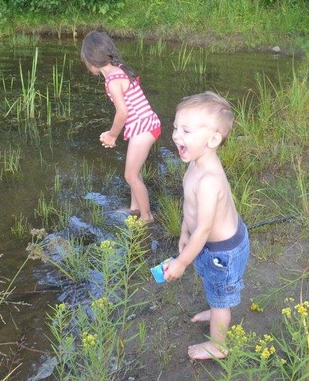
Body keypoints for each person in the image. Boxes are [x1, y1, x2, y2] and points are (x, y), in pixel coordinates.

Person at [163, 91, 250, 360]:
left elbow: (204, 229)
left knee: (221, 296)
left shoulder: (209, 180)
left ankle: (218, 345)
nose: (176, 135)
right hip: (210, 247)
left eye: (186, 131)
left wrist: (181, 262)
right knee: (214, 287)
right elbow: (191, 208)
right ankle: (215, 311)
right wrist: (183, 230)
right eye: (176, 127)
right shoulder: (195, 163)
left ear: (212, 140)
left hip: (223, 253)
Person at [81, 30, 161, 224]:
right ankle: (135, 208)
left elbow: (122, 113)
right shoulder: (119, 68)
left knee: (130, 175)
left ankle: (147, 216)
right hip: (147, 124)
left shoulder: (112, 81)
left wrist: (112, 135)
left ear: (92, 61)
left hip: (143, 128)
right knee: (135, 171)